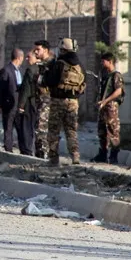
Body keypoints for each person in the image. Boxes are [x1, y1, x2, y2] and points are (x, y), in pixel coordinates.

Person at [40, 37, 86, 166]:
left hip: (57, 101)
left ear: (63, 50)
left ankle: (54, 158)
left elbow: (49, 81)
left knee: (54, 130)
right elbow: (83, 84)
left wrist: (47, 71)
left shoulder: (59, 64)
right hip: (73, 102)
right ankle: (75, 156)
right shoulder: (79, 65)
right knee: (71, 130)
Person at [94, 52, 125, 164]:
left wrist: (106, 100)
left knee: (113, 131)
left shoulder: (116, 75)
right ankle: (102, 154)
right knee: (102, 131)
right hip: (103, 106)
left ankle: (113, 156)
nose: (102, 63)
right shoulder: (105, 74)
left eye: (104, 61)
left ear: (110, 61)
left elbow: (118, 91)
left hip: (111, 107)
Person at [0, 49, 24, 154]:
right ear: (19, 58)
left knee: (20, 128)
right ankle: (8, 150)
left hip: (17, 105)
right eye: (22, 58)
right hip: (8, 105)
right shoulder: (6, 70)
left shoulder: (18, 71)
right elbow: (0, 89)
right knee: (8, 128)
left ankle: (23, 150)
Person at [32, 40, 54, 158]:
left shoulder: (50, 64)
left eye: (38, 49)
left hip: (47, 101)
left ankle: (44, 154)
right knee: (39, 128)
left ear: (45, 50)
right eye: (34, 49)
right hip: (40, 101)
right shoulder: (41, 65)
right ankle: (40, 154)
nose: (35, 52)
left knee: (42, 129)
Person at [17, 50, 42, 157]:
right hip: (37, 102)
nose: (27, 59)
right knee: (33, 126)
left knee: (26, 126)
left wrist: (21, 105)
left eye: (29, 57)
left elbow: (26, 89)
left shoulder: (30, 70)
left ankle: (27, 150)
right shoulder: (40, 69)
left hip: (29, 102)